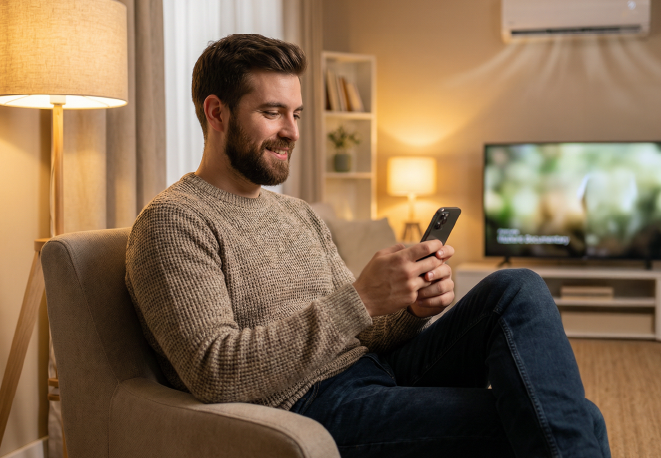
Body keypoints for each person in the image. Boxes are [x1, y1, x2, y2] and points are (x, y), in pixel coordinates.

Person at [125, 34, 610, 458]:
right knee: (569, 418)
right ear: (216, 113)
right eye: (272, 112)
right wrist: (359, 299)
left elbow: (364, 334)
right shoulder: (174, 221)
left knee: (516, 288)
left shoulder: (296, 213)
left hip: (376, 368)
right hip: (313, 405)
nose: (291, 131)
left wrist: (413, 310)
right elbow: (216, 372)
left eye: (295, 114)